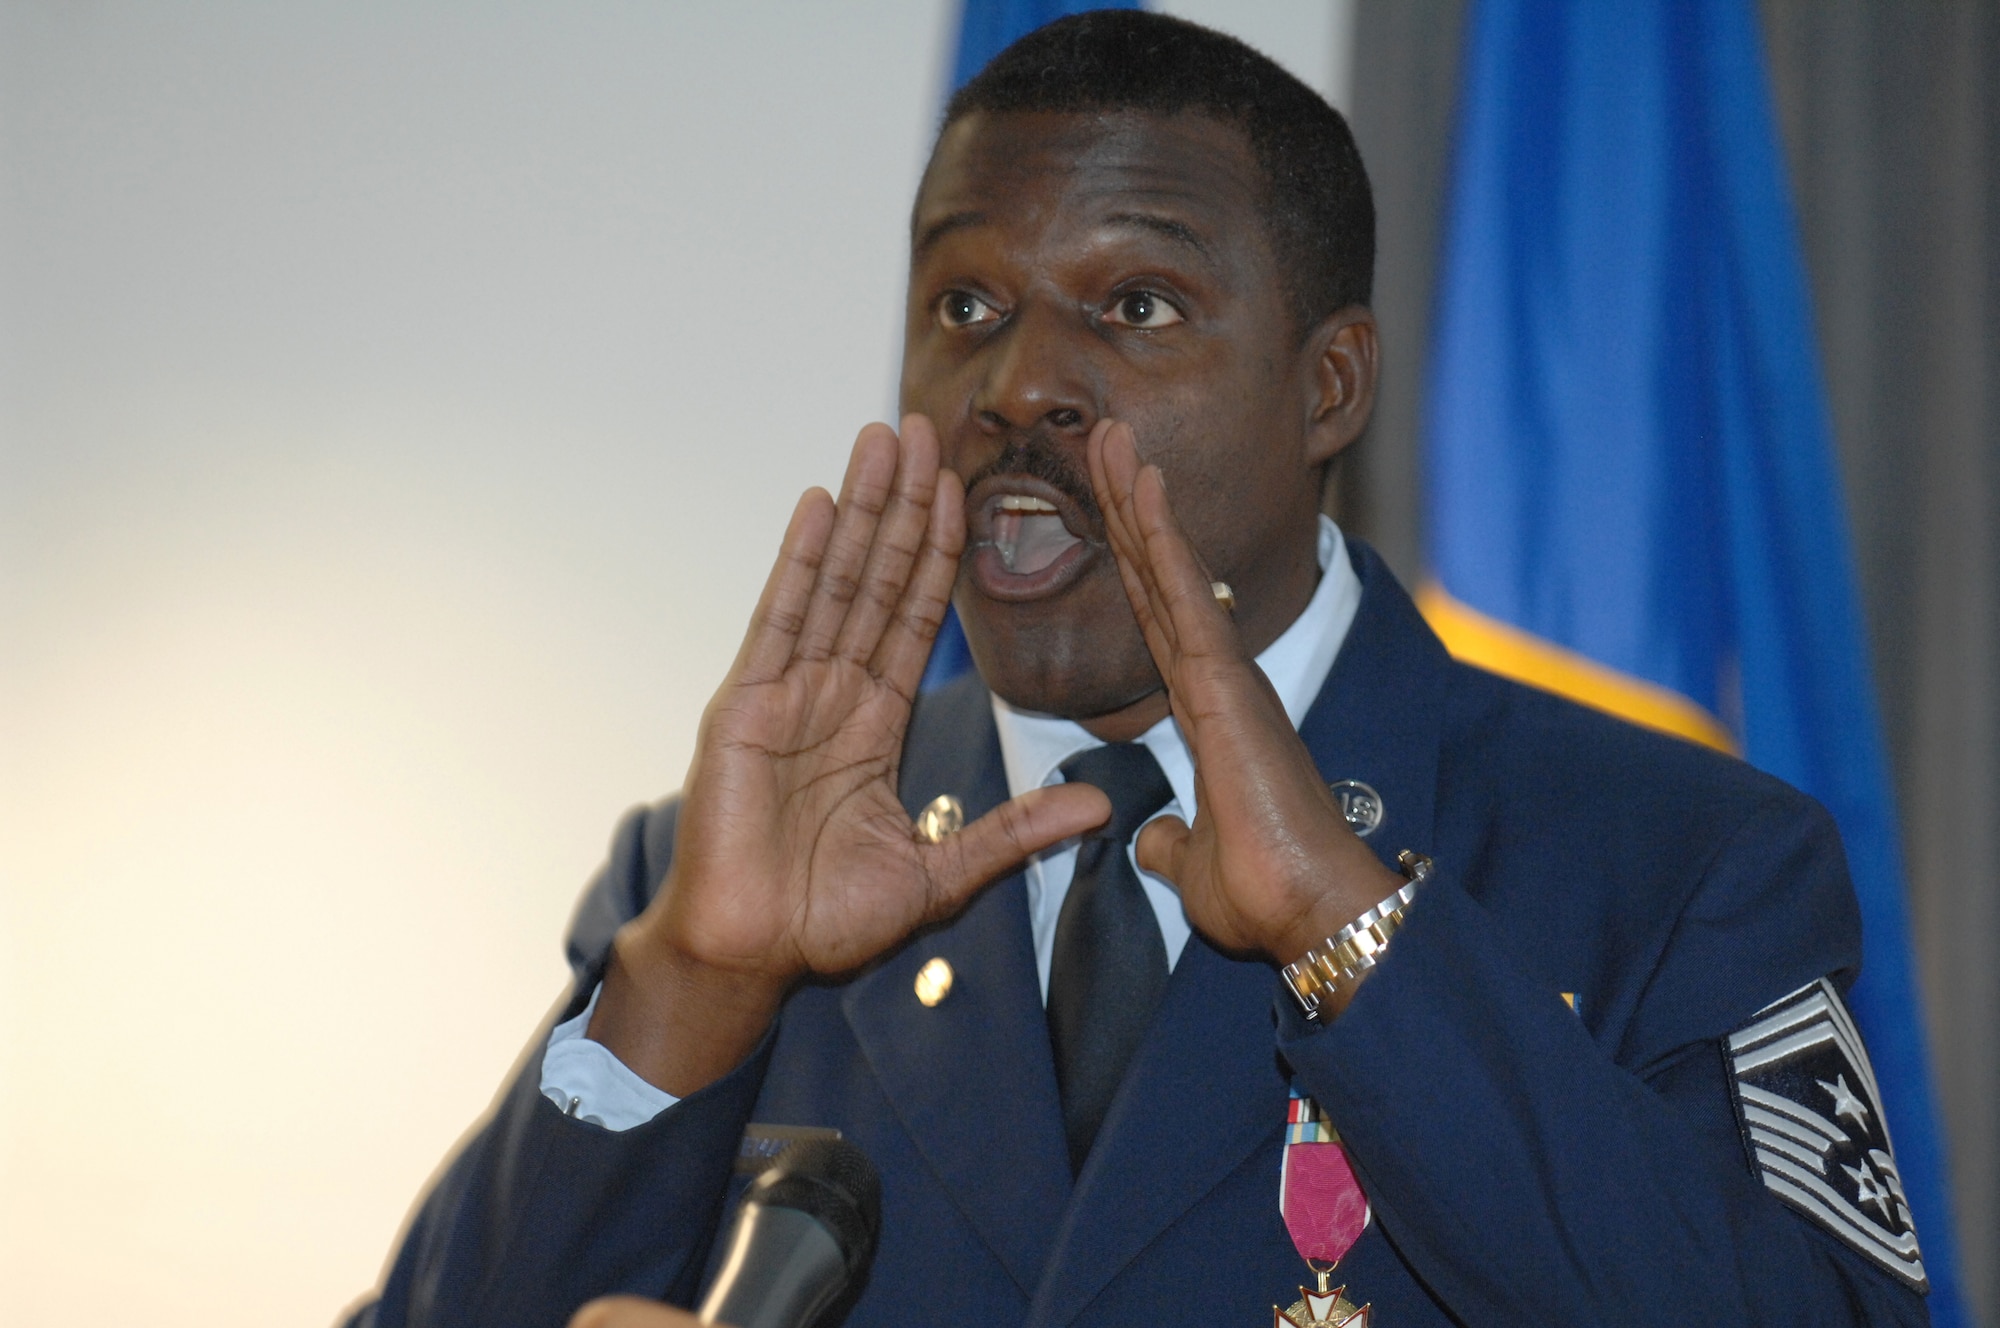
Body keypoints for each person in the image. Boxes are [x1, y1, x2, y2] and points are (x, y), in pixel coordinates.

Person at [347, 13, 1931, 1327]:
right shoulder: (724, 876)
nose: (1019, 382)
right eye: (964, 305)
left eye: (1136, 305)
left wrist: (1351, 931)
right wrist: (690, 985)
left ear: (1328, 387)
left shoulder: (1672, 861)